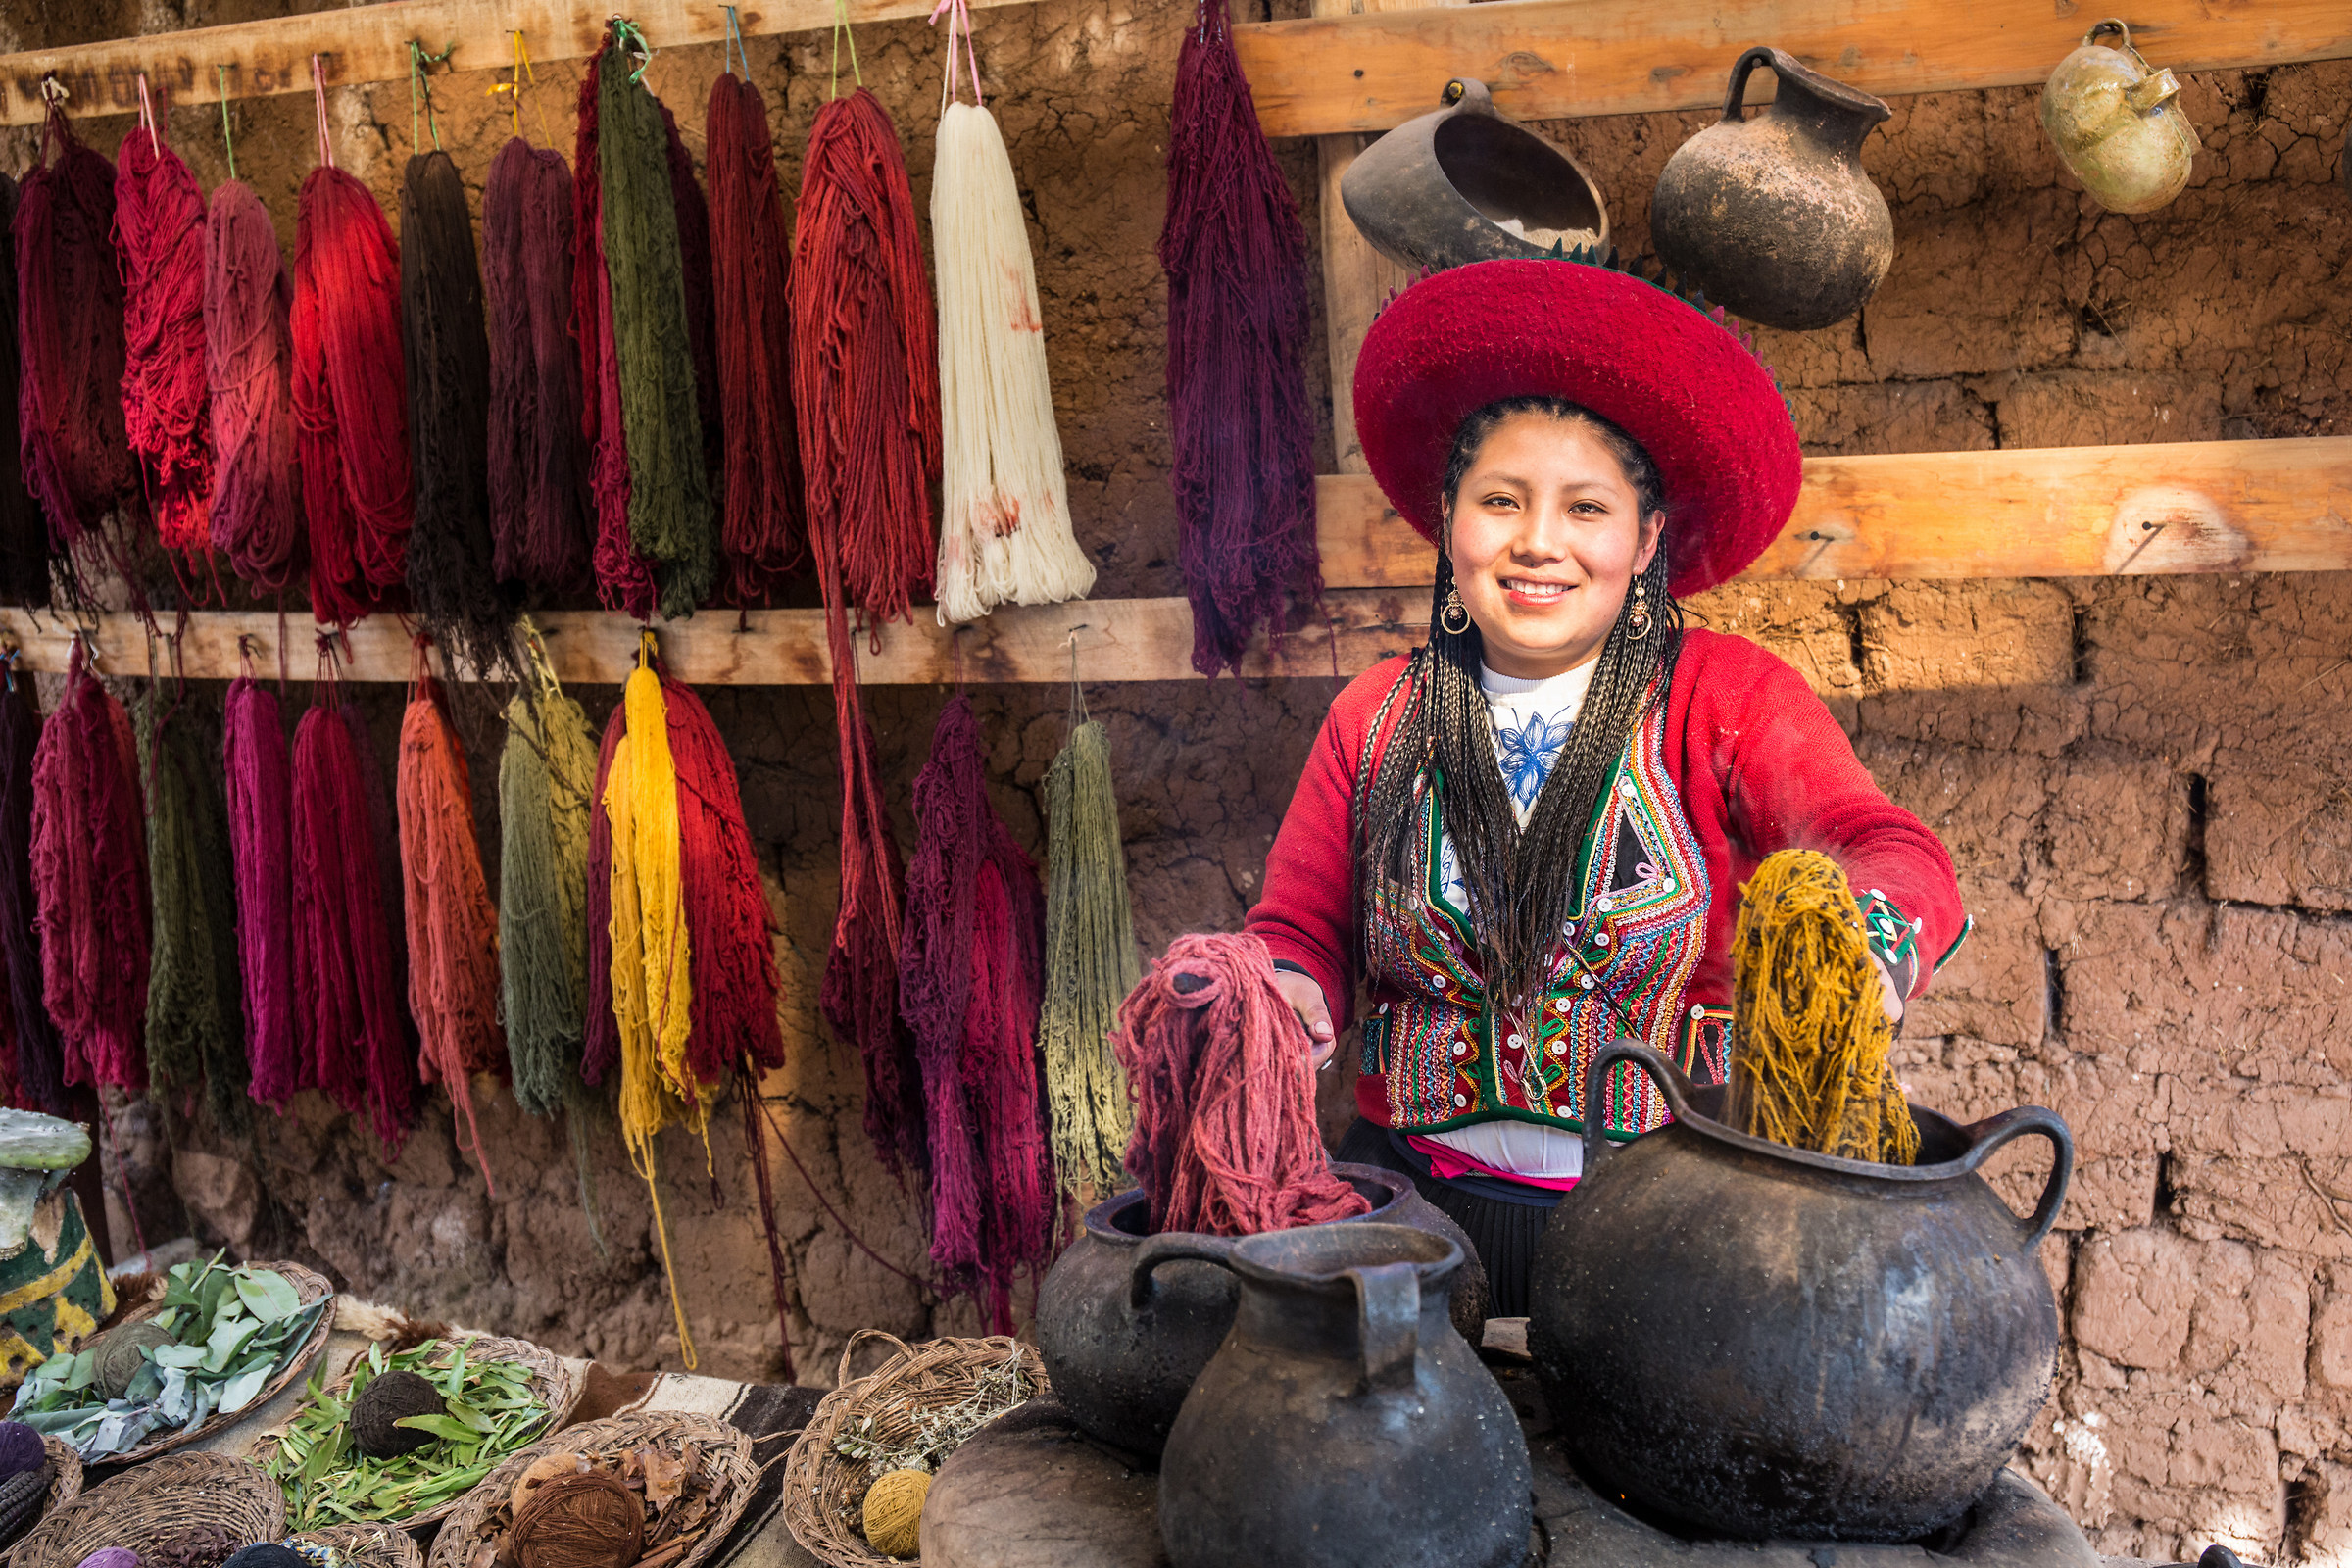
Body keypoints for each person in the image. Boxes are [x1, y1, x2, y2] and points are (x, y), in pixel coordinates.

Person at [1246, 257, 1969, 1316]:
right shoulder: (1376, 717)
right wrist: (1285, 993)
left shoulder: (1723, 699)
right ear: (1451, 520)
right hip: (1405, 1225)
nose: (1539, 541)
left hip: (1668, 1236)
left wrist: (1866, 941)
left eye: (1587, 508)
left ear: (1646, 538)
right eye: (1501, 500)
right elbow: (1297, 926)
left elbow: (1885, 844)